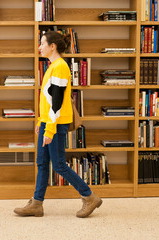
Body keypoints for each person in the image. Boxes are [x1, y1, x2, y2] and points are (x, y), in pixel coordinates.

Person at [14, 31, 102, 218]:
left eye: (42, 43)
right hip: (47, 122)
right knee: (42, 162)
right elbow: (47, 99)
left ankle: (89, 196)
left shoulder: (60, 67)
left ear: (52, 46)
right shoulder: (53, 66)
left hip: (55, 124)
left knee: (59, 165)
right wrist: (41, 121)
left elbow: (57, 102)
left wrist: (50, 128)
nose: (39, 47)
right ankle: (37, 204)